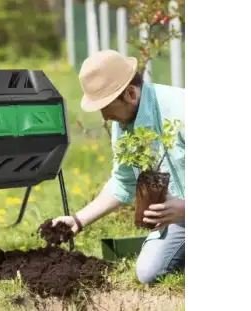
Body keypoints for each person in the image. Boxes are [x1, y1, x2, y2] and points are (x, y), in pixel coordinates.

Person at [51, 50, 188, 285]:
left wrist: (187, 208)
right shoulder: (124, 123)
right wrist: (78, 220)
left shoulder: (184, 111)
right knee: (148, 273)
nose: (104, 115)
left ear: (131, 94)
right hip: (180, 217)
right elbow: (123, 183)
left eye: (106, 106)